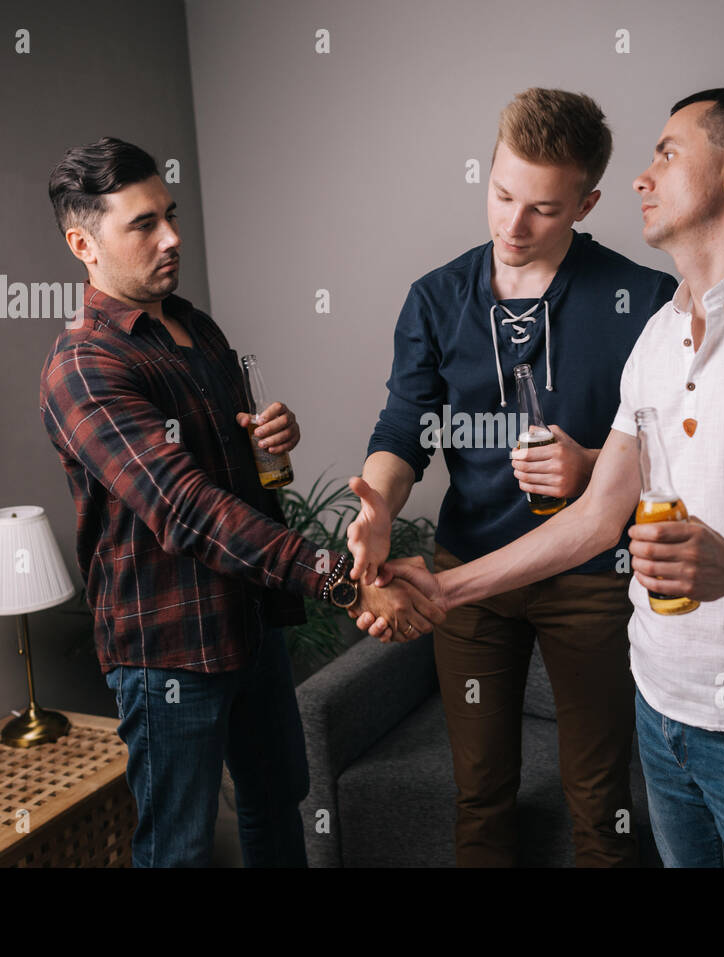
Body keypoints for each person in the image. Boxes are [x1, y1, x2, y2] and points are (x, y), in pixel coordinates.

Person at [363, 88, 724, 868]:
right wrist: (446, 588)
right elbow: (597, 518)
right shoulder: (661, 334)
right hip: (660, 712)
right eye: (502, 196)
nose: (644, 176)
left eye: (667, 153)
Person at [38, 137, 441, 867]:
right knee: (179, 849)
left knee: (275, 801)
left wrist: (272, 444)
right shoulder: (83, 365)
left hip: (248, 622)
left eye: (171, 214)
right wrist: (339, 576)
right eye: (143, 224)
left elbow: (244, 475)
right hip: (167, 653)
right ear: (82, 243)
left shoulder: (196, 325)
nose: (173, 237)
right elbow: (185, 507)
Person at [347, 89, 679, 867]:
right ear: (490, 170)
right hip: (469, 574)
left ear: (588, 202)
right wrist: (378, 503)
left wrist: (593, 465)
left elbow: (686, 450)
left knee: (600, 799)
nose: (512, 225)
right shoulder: (434, 298)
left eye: (543, 209)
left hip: (595, 578)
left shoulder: (646, 300)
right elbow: (405, 430)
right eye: (501, 195)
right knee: (480, 792)